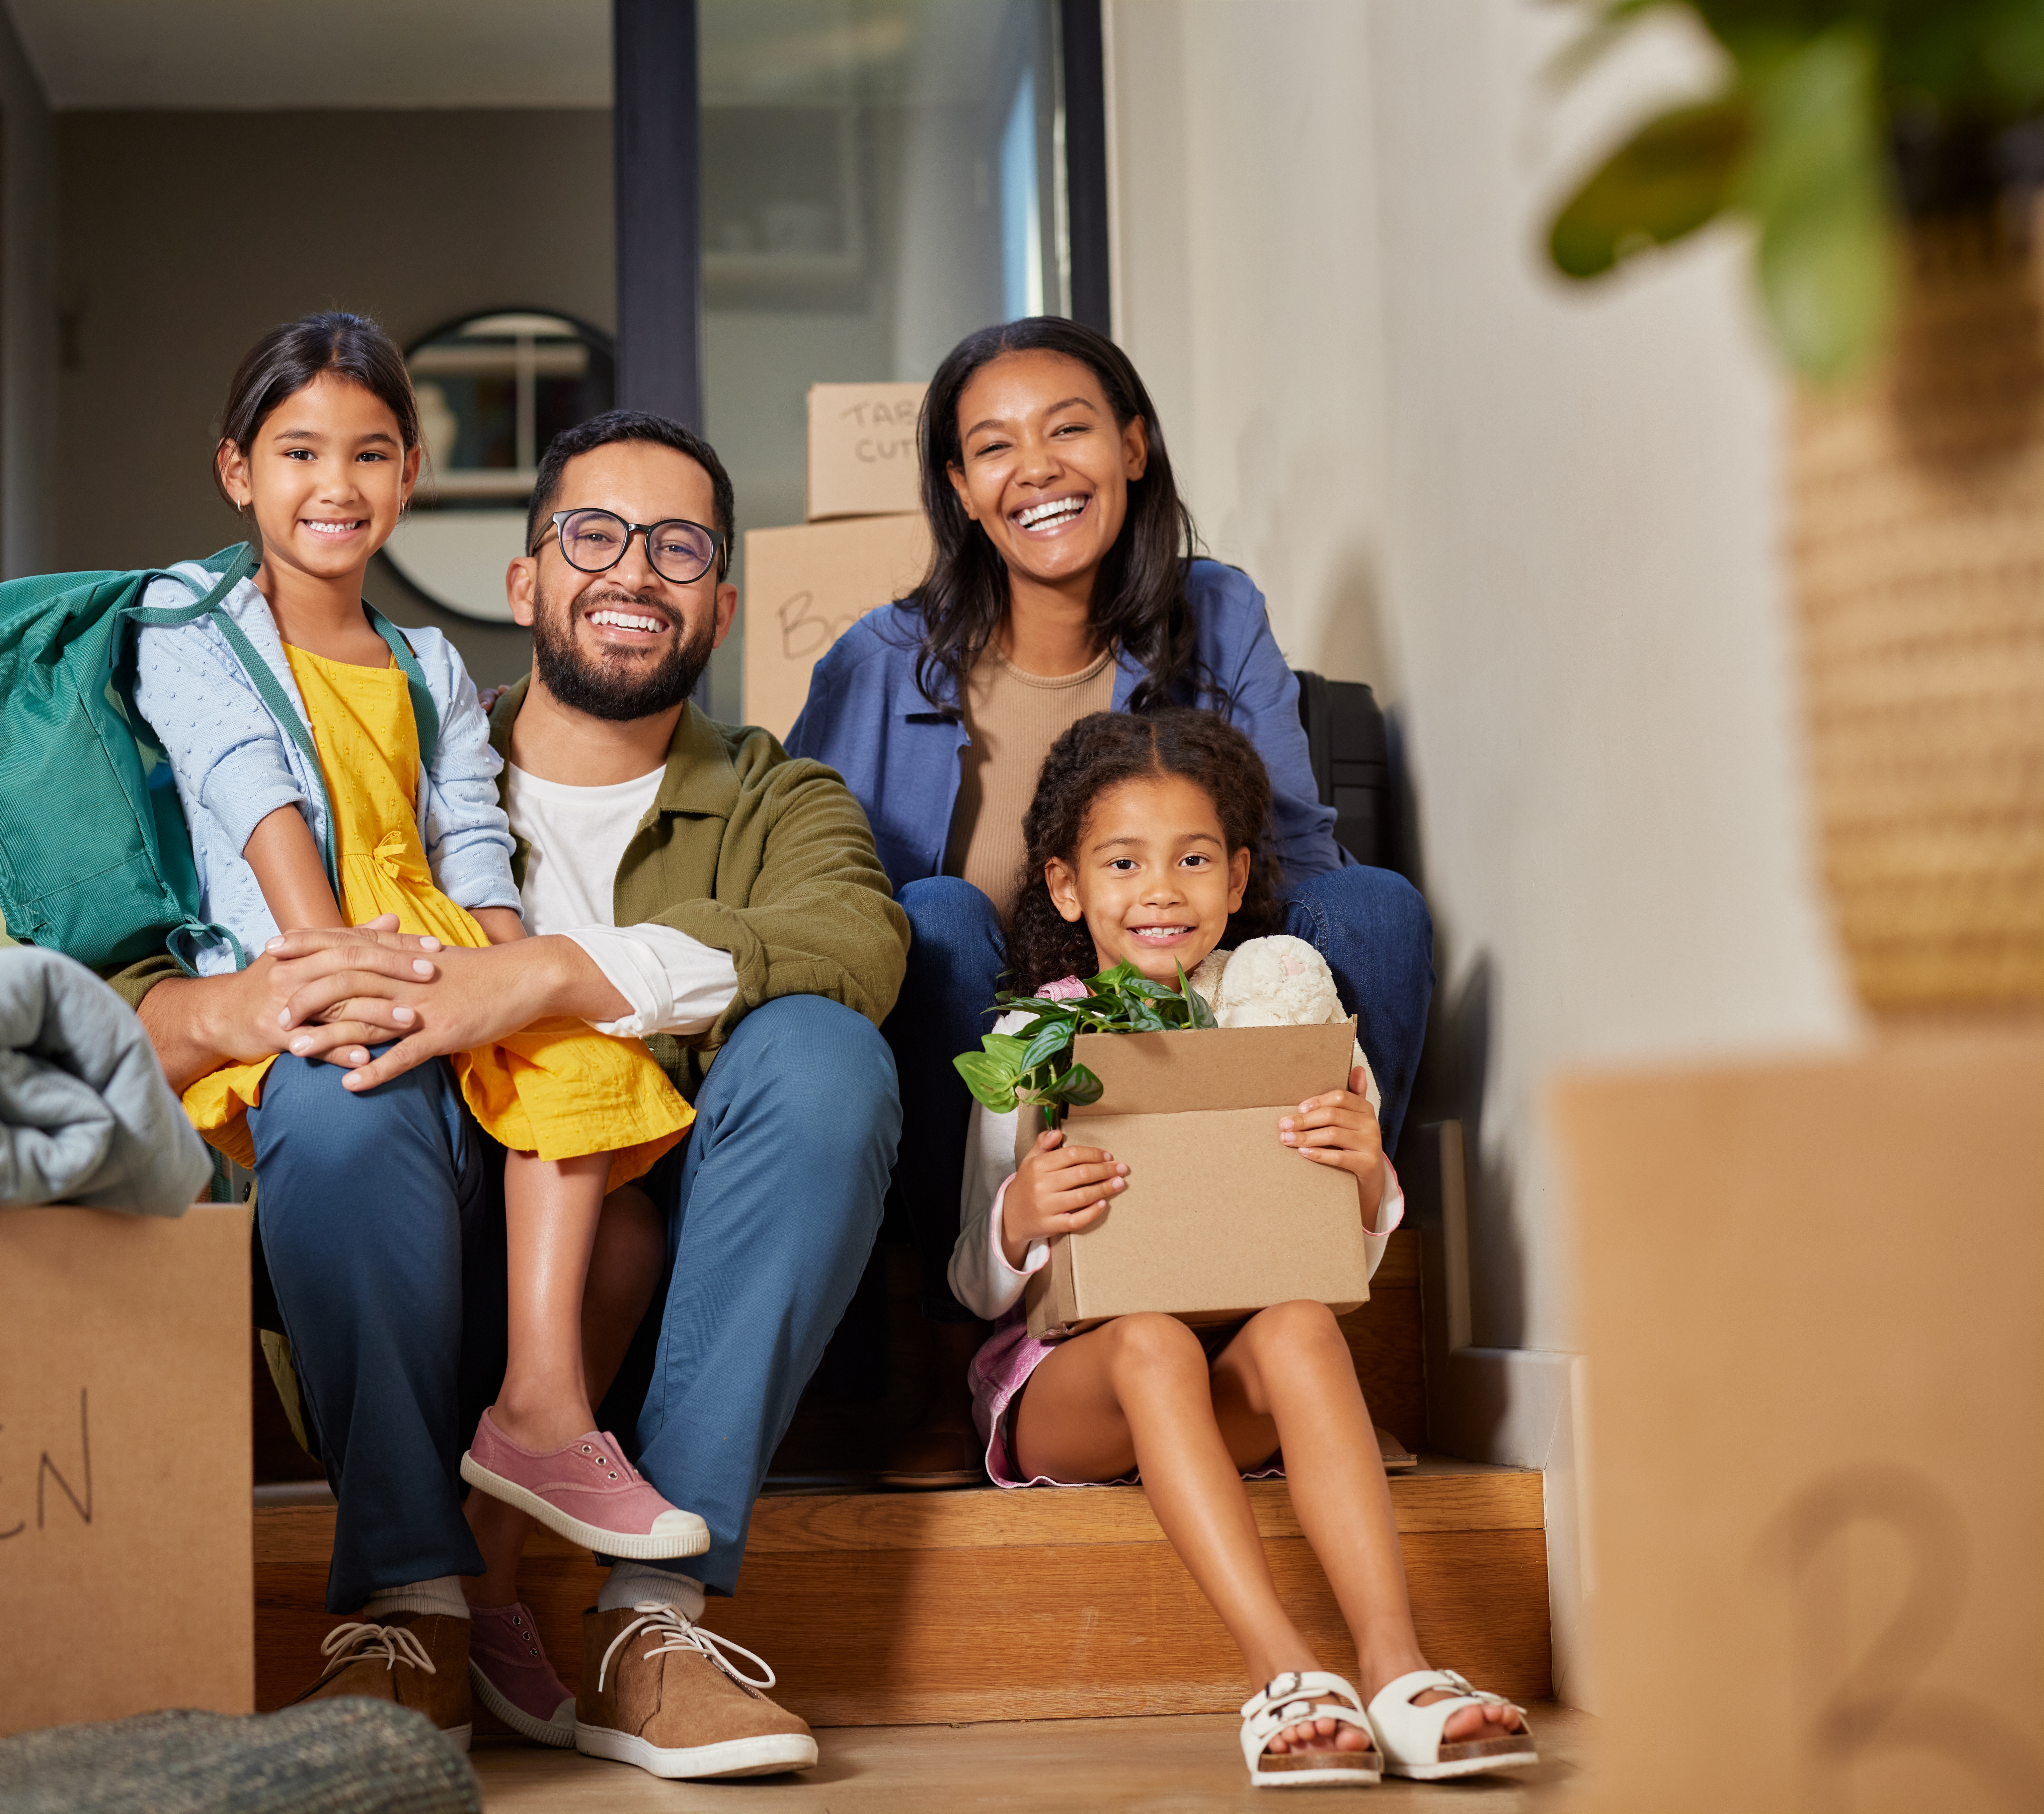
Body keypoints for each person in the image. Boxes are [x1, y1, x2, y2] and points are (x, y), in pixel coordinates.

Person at [110, 385, 908, 1781]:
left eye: (678, 548)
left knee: (829, 1050)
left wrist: (539, 975)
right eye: (594, 535)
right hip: (406, 1268)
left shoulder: (785, 801)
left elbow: (851, 942)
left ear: (720, 606)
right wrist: (251, 1000)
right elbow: (134, 987)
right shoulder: (387, 740)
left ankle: (651, 1626)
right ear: (524, 577)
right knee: (326, 1078)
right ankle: (410, 1606)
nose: (633, 573)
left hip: (674, 1319)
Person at [785, 316, 1435, 1483]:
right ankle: (953, 1373)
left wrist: (1246, 1017)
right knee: (930, 918)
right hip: (987, 1058)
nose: (1036, 467)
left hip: (1191, 1001)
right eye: (995, 446)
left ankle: (1304, 1347)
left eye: (1070, 429)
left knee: (1374, 912)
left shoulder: (1217, 609)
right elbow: (819, 897)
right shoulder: (878, 661)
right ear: (961, 489)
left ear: (1134, 447)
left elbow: (1291, 851)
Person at [134, 315, 710, 1568]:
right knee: (352, 1098)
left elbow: (465, 838)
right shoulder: (191, 613)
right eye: (298, 454)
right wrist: (321, 956)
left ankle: (542, 1408)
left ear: (411, 477)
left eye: (372, 454)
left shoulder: (429, 659)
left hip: (430, 939)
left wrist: (513, 983)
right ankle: (423, 1533)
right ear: (239, 471)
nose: (336, 487)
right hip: (307, 940)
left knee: (589, 1069)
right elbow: (246, 787)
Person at [950, 707, 1532, 1789]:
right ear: (1070, 887)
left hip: (1232, 1370)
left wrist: (1362, 1171)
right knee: (1153, 1341)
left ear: (1238, 877)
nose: (1161, 890)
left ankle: (1399, 1669)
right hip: (1074, 1388)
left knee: (1304, 1325)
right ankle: (1280, 1671)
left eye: (1193, 860)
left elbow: (1339, 1267)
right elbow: (974, 1281)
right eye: (1123, 862)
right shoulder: (1037, 1036)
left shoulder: (1285, 1026)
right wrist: (1022, 1214)